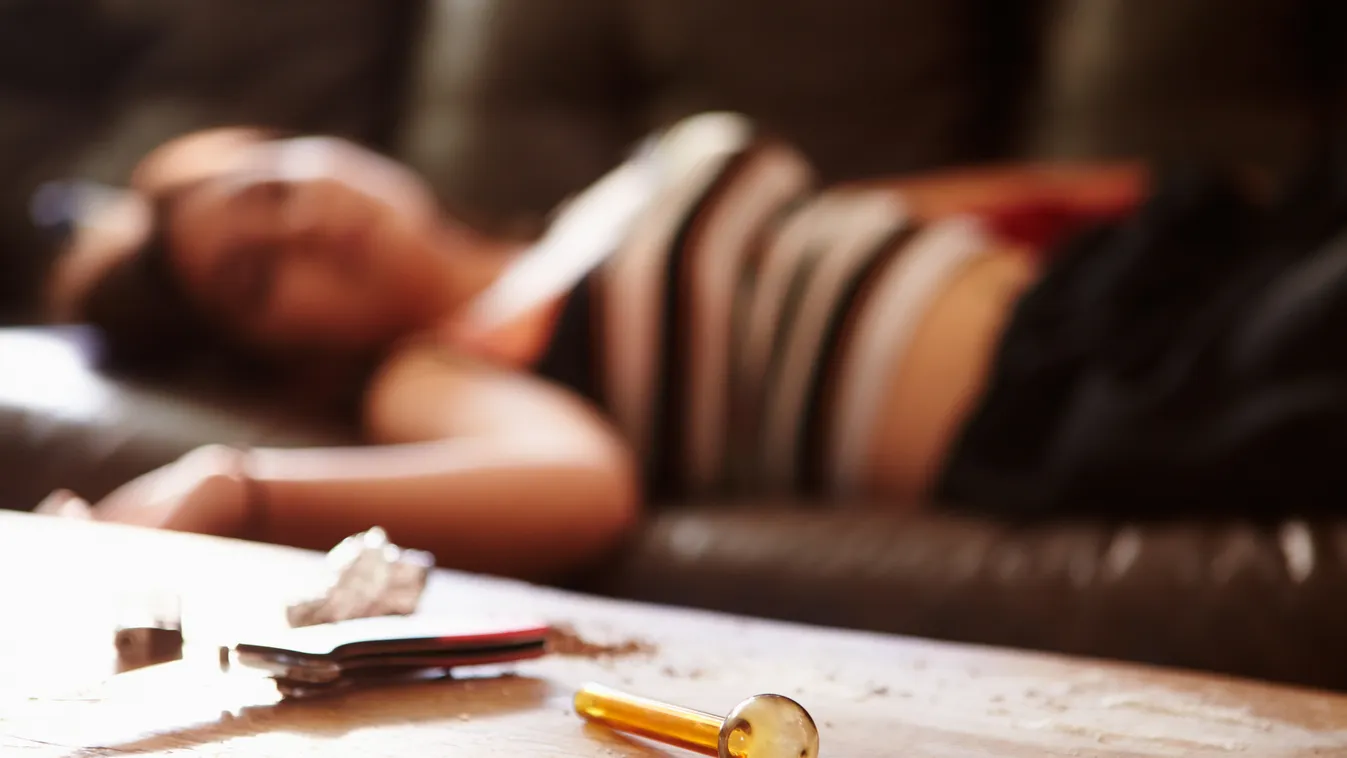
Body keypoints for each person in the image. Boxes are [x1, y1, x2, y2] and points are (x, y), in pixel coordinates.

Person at [58, 110, 1316, 581]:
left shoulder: (599, 204)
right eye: (255, 271)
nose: (305, 224)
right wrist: (233, 485)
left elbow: (881, 211)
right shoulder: (441, 362)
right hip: (1087, 398)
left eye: (277, 183)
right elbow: (581, 487)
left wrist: (1117, 192)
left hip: (1142, 276)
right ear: (280, 356)